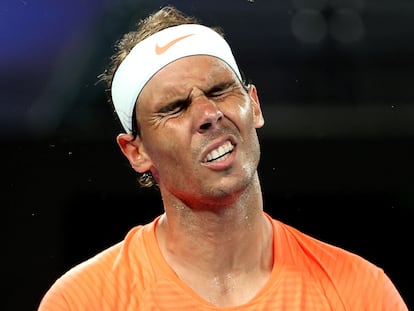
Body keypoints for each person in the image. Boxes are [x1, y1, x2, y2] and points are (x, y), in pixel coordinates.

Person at [38, 5, 408, 310]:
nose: (208, 114)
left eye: (219, 91)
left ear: (255, 105)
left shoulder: (361, 292)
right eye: (176, 107)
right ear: (137, 151)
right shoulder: (85, 300)